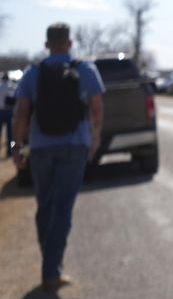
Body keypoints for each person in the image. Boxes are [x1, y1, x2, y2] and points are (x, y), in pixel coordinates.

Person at [11, 23, 105, 293]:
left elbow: (22, 112)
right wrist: (95, 135)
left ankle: (51, 264)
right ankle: (51, 270)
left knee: (46, 206)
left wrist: (17, 145)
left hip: (41, 147)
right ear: (70, 42)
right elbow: (97, 105)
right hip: (74, 146)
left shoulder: (33, 73)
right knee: (63, 208)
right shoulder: (85, 69)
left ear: (46, 44)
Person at [0, 71, 15, 158]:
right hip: (9, 111)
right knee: (11, 134)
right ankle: (10, 151)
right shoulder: (12, 86)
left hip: (1, 111)